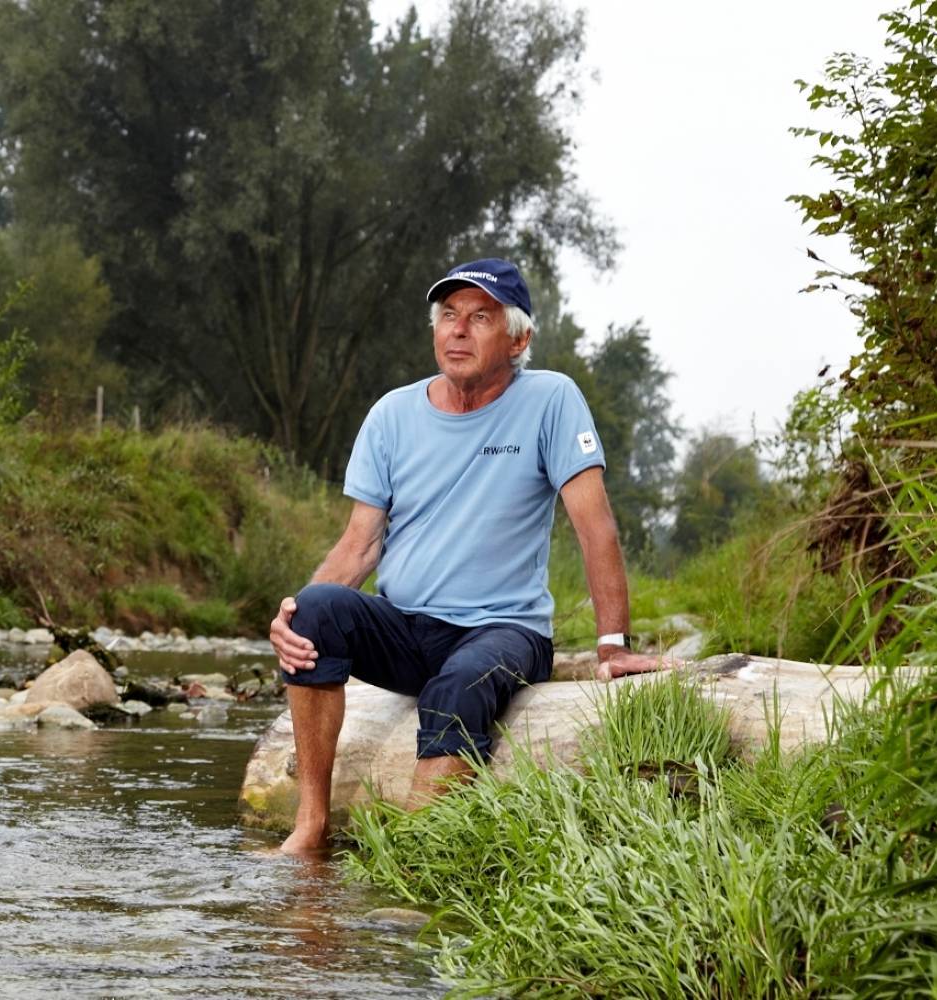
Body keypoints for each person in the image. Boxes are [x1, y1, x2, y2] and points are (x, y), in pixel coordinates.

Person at [268, 257, 669, 855]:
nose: (458, 329)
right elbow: (360, 544)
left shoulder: (551, 400)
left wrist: (613, 645)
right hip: (407, 627)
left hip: (506, 632)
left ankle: (416, 860)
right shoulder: (392, 414)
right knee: (313, 616)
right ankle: (311, 826)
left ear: (519, 338)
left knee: (457, 685)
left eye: (481, 317)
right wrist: (290, 615)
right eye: (449, 315)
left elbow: (595, 527)